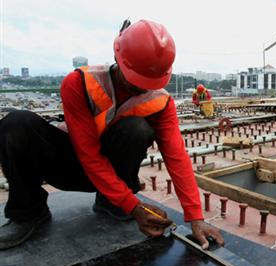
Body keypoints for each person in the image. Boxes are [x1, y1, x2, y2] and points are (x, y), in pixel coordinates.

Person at [0, 19, 224, 250]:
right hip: (66, 167)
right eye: (136, 79)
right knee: (17, 123)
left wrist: (195, 217)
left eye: (149, 82)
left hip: (115, 180)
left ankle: (111, 203)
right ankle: (27, 213)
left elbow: (176, 156)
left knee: (137, 128)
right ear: (118, 58)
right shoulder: (79, 83)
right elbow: (88, 154)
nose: (142, 88)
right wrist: (134, 206)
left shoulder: (161, 102)